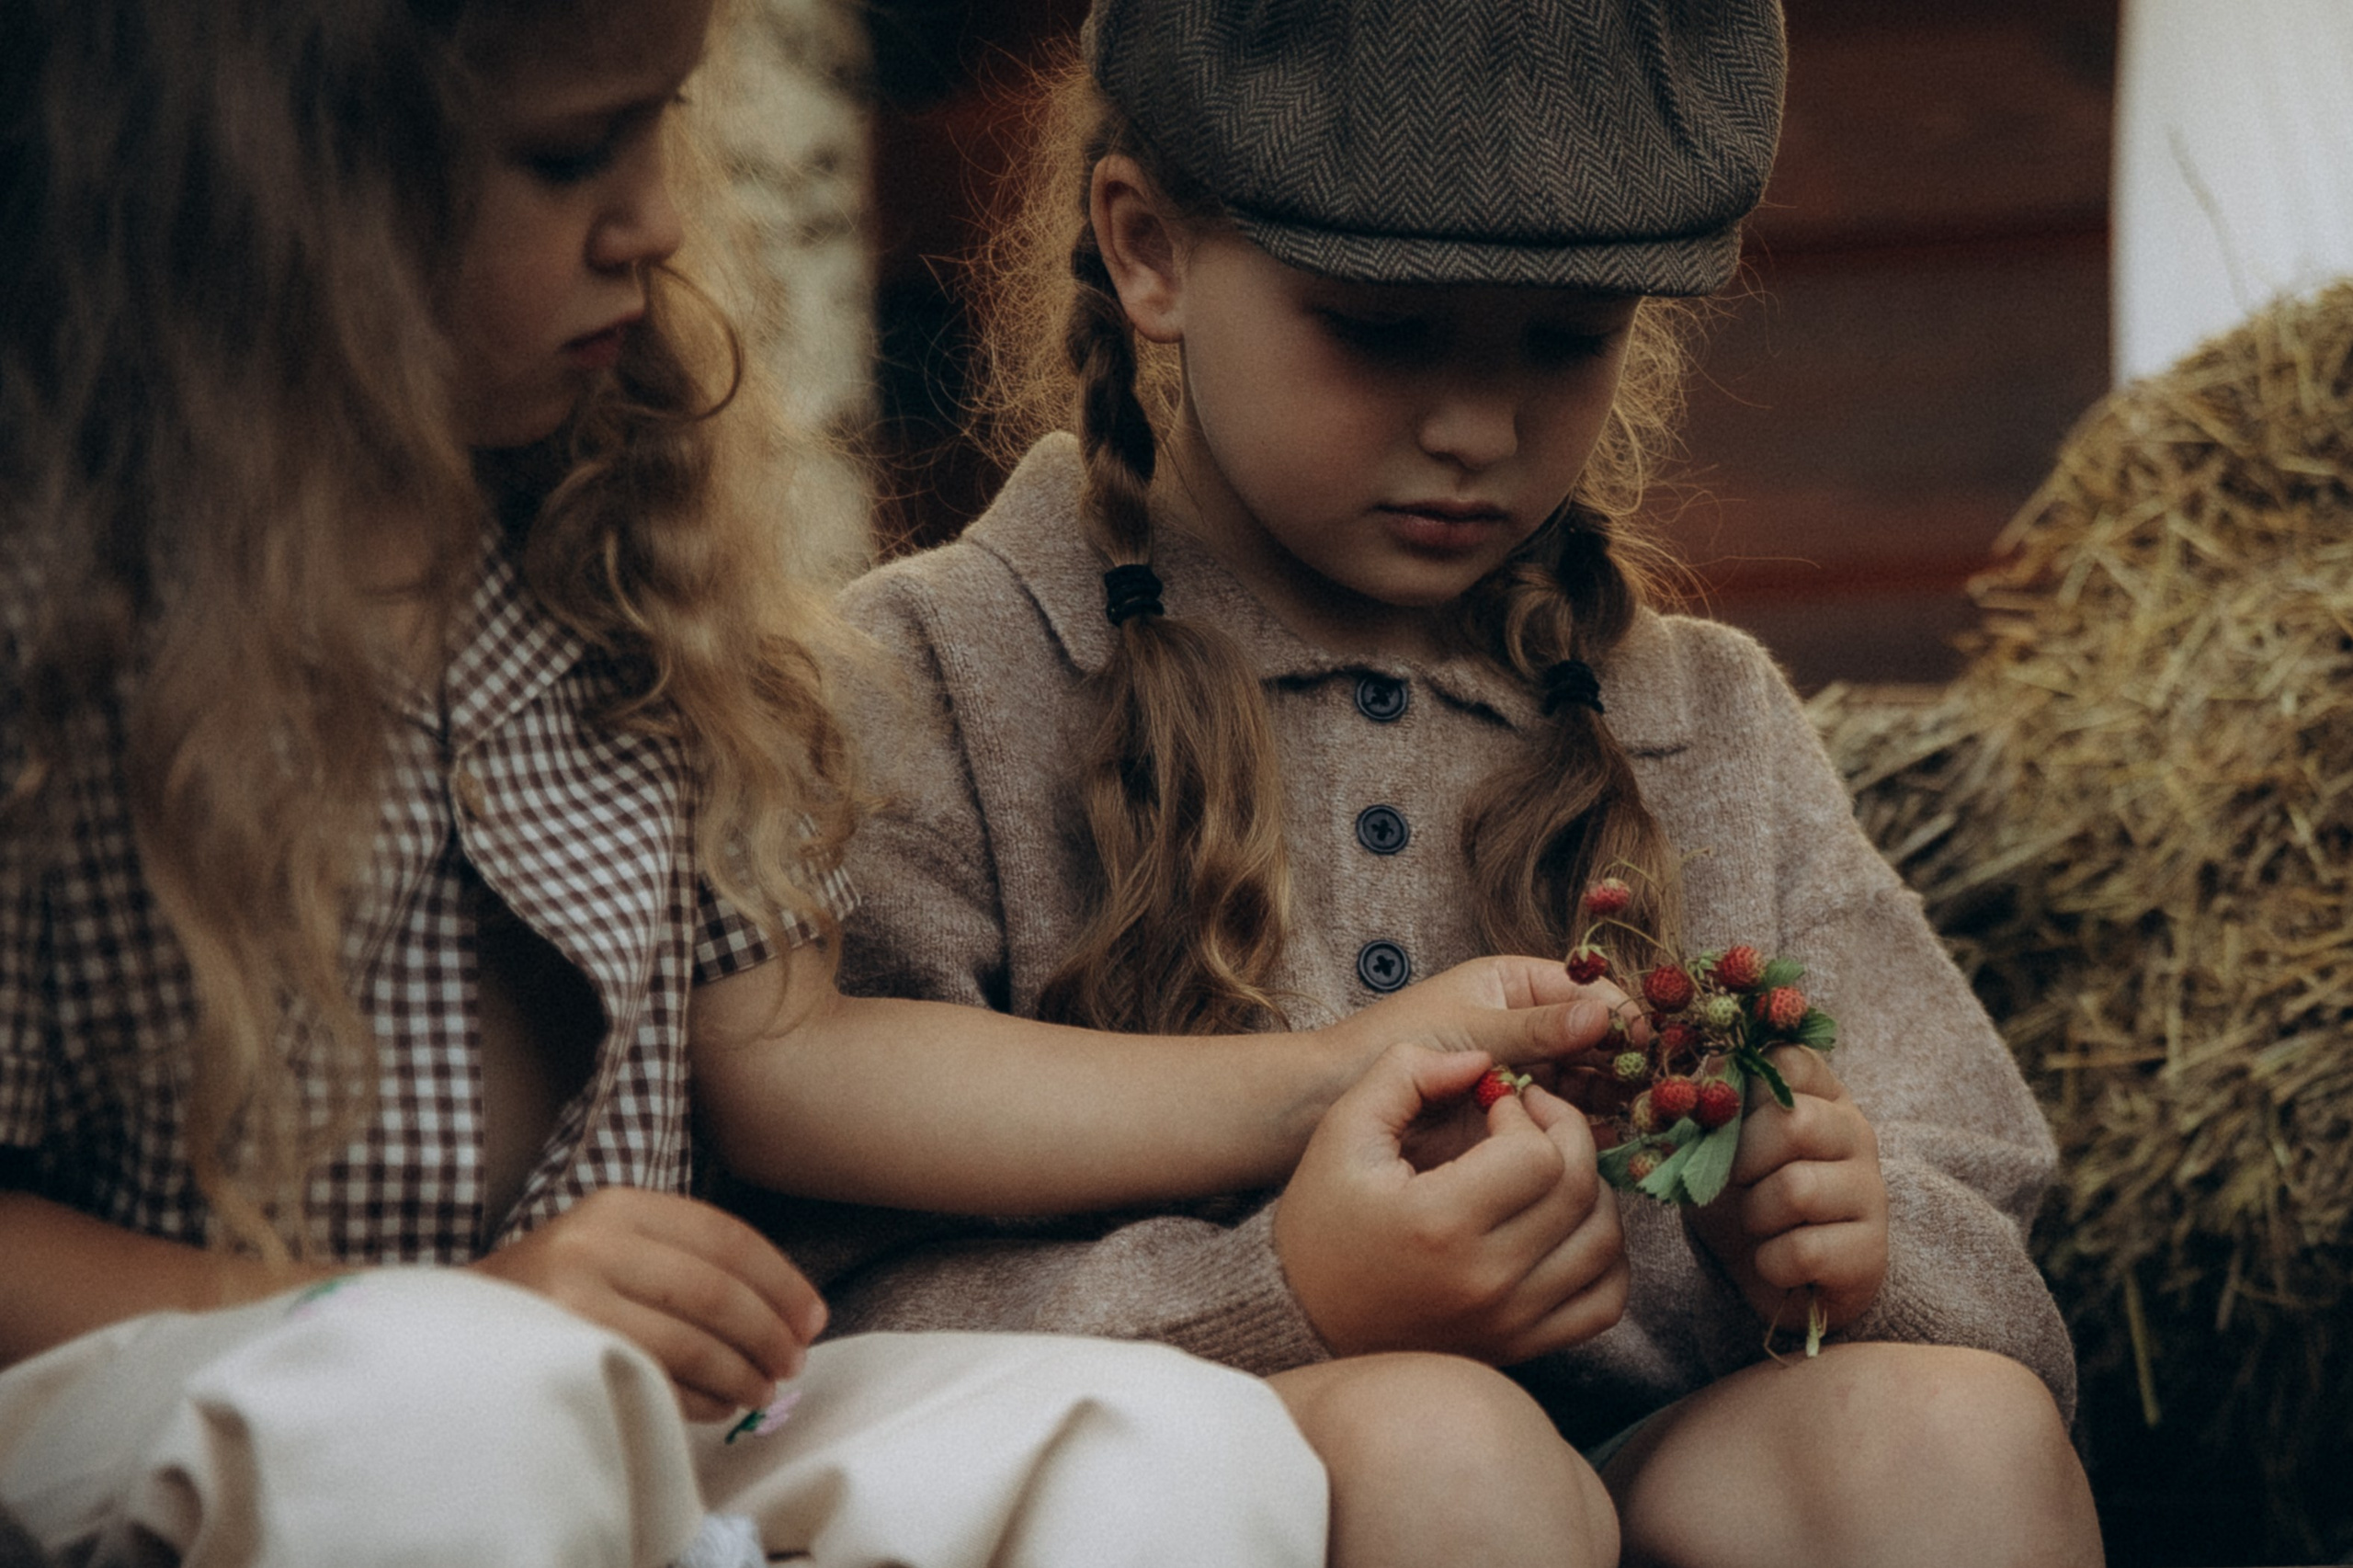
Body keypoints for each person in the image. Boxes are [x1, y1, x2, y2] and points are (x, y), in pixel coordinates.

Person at [0, 2, 1619, 1564]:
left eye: (667, 123)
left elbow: (792, 1055)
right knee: (445, 1402)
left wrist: (1331, 1067)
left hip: (665, 1416)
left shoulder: (610, 540)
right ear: (272, 175)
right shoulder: (53, 604)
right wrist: (423, 1312)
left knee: (1169, 1444)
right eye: (571, 156)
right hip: (181, 1383)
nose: (649, 220)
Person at [817, 2, 2107, 1563]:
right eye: (1383, 329)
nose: (1477, 428)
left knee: (1947, 1438)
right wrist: (1286, 1299)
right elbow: (836, 1301)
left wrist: (1849, 1230)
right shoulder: (939, 679)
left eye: (1564, 343)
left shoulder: (1703, 721)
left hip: (1660, 1473)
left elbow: (2003, 1258)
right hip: (1220, 1490)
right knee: (1447, 1443)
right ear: (1149, 249)